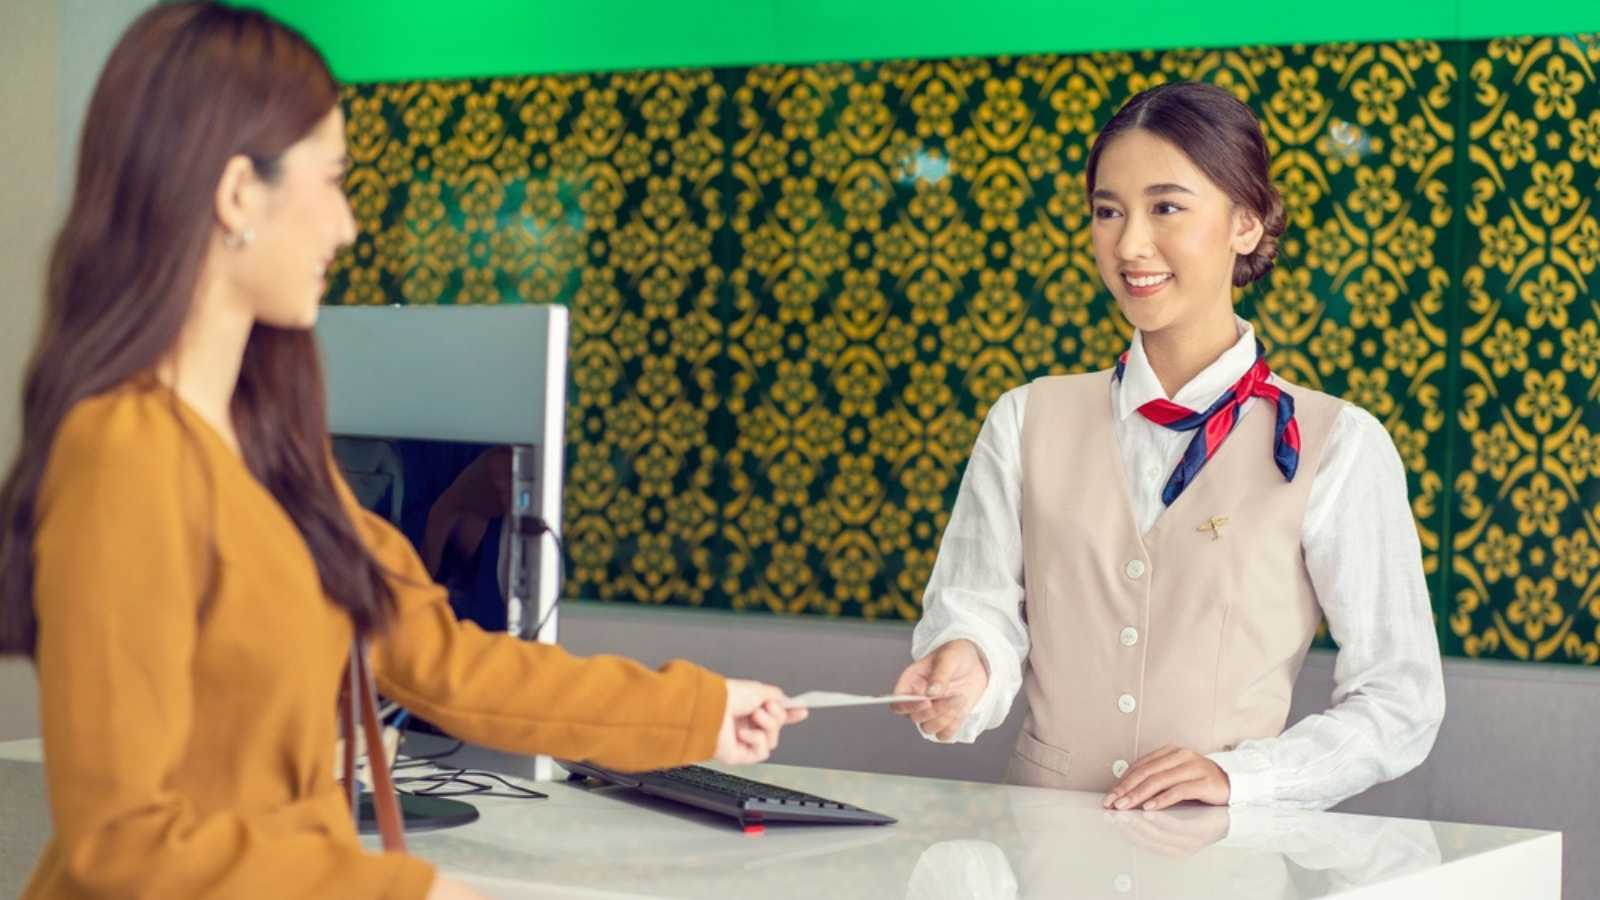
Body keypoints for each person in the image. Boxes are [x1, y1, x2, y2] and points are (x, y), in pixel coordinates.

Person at [0, 5, 803, 898]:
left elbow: (444, 662)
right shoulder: (123, 456)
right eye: (334, 180)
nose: (346, 226)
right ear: (236, 194)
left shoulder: (267, 451)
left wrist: (699, 712)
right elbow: (124, 844)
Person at [891, 82, 1445, 812]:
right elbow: (978, 608)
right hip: (1038, 851)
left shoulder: (1339, 446)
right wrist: (965, 664)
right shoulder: (1025, 418)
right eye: (1107, 211)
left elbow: (1400, 698)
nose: (1129, 245)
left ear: (1246, 222)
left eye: (1166, 207)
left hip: (1222, 870)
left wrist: (1243, 777)